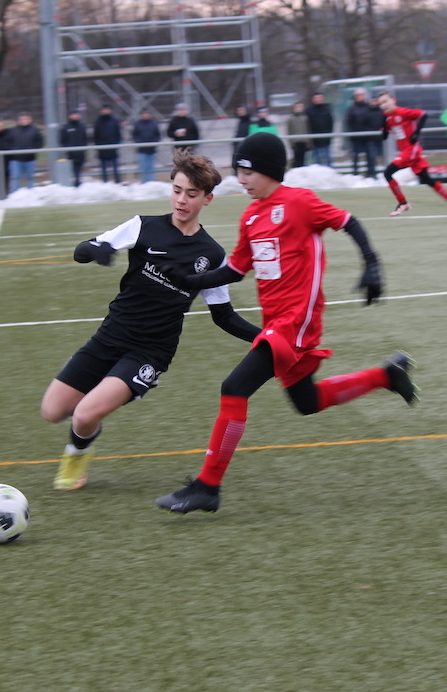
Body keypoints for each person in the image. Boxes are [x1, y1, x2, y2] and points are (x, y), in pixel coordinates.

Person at [152, 132, 415, 514]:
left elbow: (349, 222)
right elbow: (236, 270)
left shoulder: (299, 201)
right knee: (307, 402)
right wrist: (190, 280)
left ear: (268, 170)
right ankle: (386, 376)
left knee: (234, 387)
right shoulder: (251, 215)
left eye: (246, 169)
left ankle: (207, 486)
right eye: (238, 170)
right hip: (277, 322)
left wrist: (371, 263)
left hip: (296, 323)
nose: (240, 177)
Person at [41, 153, 257, 491]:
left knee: (84, 414)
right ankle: (101, 407)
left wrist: (267, 338)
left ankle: (75, 456)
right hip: (109, 337)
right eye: (177, 190)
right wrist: (94, 251)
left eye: (191, 193)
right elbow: (83, 249)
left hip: (150, 351)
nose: (181, 200)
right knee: (52, 411)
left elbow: (224, 316)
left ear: (207, 198)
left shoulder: (212, 255)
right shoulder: (144, 226)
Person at [379, 91, 447, 219]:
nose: (383, 105)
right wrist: (383, 124)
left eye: (385, 101)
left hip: (412, 150)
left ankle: (403, 203)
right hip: (407, 152)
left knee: (387, 173)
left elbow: (423, 115)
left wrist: (416, 134)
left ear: (393, 100)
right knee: (426, 179)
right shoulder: (387, 118)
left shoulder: (403, 112)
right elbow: (384, 136)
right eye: (380, 103)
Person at [344, 88, 381, 178]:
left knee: (371, 155)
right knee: (355, 156)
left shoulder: (369, 107)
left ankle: (371, 173)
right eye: (359, 95)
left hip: (368, 136)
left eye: (362, 95)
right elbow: (349, 123)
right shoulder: (351, 109)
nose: (361, 97)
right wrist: (351, 134)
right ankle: (355, 174)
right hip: (356, 136)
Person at [7, 112, 43, 191]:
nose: (24, 121)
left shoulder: (35, 130)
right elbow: (7, 143)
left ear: (30, 120)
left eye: (26, 119)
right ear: (18, 120)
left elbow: (40, 142)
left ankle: (31, 195)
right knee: (15, 178)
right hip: (15, 159)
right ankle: (15, 195)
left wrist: (33, 150)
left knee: (30, 178)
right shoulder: (12, 131)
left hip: (30, 159)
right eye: (22, 119)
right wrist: (13, 151)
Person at [59, 109, 89, 187]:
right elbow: (63, 140)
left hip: (80, 154)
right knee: (72, 171)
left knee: (78, 171)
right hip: (70, 154)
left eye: (77, 114)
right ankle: (73, 185)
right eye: (73, 114)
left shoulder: (82, 127)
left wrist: (83, 149)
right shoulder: (66, 127)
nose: (75, 116)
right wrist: (67, 149)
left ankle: (77, 184)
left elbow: (85, 139)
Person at [93, 105, 122, 183]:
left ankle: (117, 182)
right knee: (103, 170)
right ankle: (105, 183)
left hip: (113, 148)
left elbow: (118, 134)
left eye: (106, 109)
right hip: (102, 149)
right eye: (103, 109)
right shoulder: (97, 122)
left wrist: (116, 145)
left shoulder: (114, 121)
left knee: (115, 169)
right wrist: (99, 147)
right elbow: (95, 136)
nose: (105, 111)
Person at [132, 108, 162, 183]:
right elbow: (135, 136)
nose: (146, 115)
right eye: (144, 113)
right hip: (142, 150)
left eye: (147, 113)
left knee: (151, 169)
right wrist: (141, 144)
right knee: (143, 169)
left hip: (152, 150)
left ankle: (151, 183)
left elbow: (157, 135)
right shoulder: (137, 124)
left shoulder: (154, 123)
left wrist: (153, 144)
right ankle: (145, 184)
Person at [307, 92, 335, 167]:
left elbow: (331, 122)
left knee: (328, 158)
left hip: (326, 138)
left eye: (320, 98)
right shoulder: (309, 110)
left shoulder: (327, 109)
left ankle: (330, 172)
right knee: (317, 159)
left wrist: (330, 134)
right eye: (317, 98)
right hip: (315, 139)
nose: (318, 100)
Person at [286, 100, 311, 168]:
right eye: (297, 107)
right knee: (296, 160)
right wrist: (291, 143)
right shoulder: (291, 119)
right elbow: (289, 131)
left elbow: (308, 130)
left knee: (304, 160)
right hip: (296, 142)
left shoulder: (305, 118)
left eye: (301, 107)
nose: (299, 108)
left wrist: (309, 142)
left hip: (304, 141)